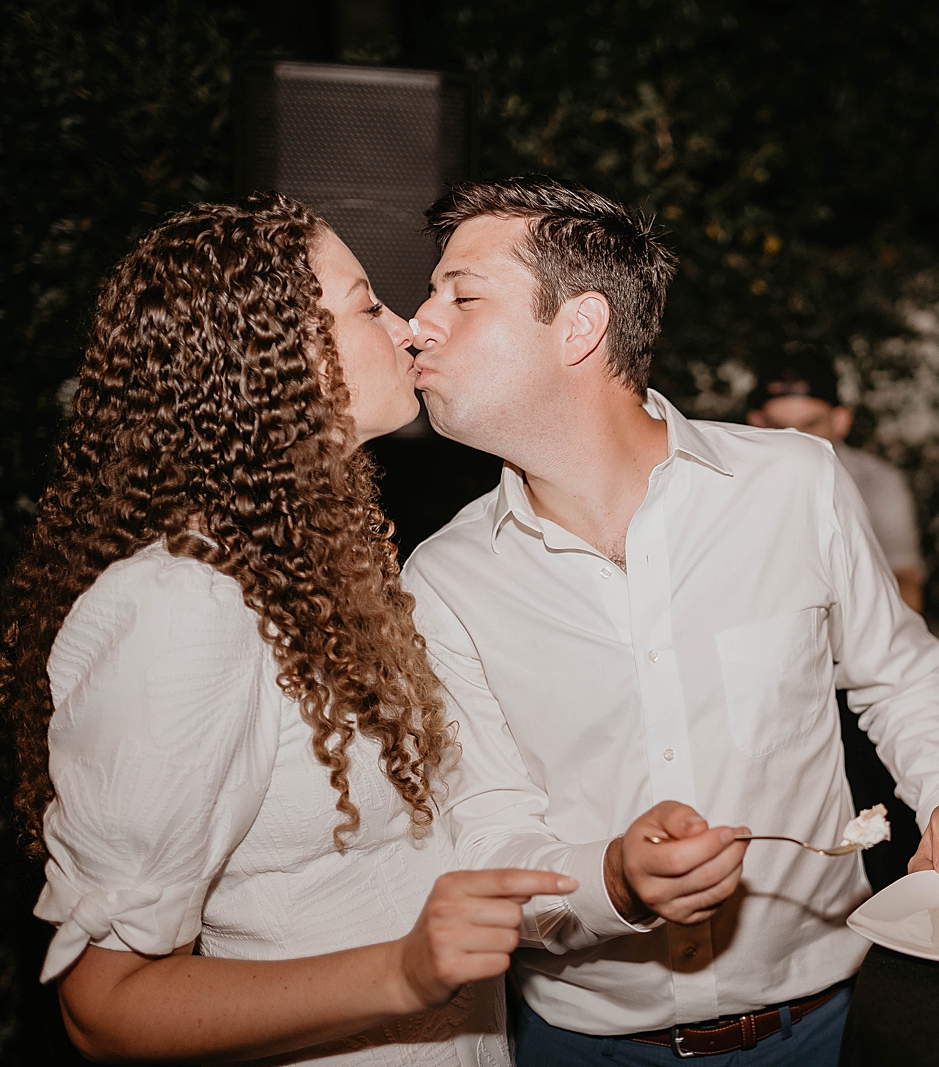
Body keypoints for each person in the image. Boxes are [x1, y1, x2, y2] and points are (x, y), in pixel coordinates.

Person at [402, 175, 939, 1067]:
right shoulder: (445, 576)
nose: (417, 324)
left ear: (579, 327)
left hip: (830, 1028)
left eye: (461, 296)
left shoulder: (795, 483)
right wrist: (614, 879)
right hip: (583, 1047)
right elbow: (488, 832)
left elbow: (900, 671)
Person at [0, 194, 574, 1065]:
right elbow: (105, 1006)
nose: (407, 328)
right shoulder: (179, 605)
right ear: (279, 354)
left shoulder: (315, 571)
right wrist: (402, 972)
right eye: (366, 305)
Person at [746, 350, 925, 612]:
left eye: (810, 425)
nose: (795, 441)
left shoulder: (877, 482)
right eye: (778, 428)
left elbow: (906, 585)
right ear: (756, 423)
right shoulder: (734, 481)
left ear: (840, 421)